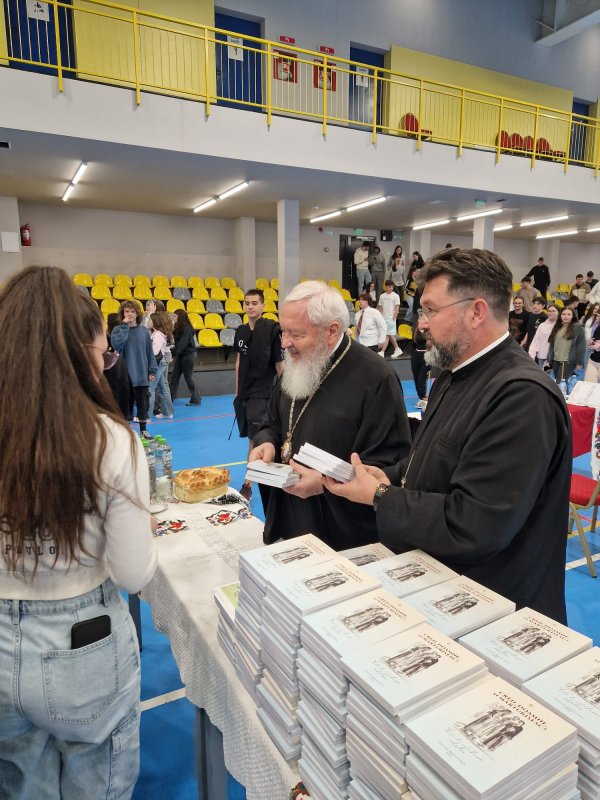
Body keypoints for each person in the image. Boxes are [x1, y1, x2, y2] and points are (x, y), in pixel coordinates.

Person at [325, 248, 571, 623]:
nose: (420, 323)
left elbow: (476, 523)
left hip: (495, 613)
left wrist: (379, 496)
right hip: (446, 593)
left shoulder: (521, 395)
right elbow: (433, 458)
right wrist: (388, 476)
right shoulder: (455, 374)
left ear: (475, 311)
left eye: (430, 310)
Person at [0, 265, 157, 798]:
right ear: (81, 352)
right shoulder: (110, 439)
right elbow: (135, 574)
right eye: (102, 355)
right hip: (81, 640)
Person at [249, 280, 411, 550]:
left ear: (331, 331)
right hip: (290, 517)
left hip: (341, 532)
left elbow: (389, 463)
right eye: (283, 332)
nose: (286, 343)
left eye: (296, 334)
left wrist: (324, 483)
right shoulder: (296, 363)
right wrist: (266, 440)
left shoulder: (375, 378)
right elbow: (273, 422)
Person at [234, 289, 284, 500]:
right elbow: (238, 361)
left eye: (255, 303)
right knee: (250, 439)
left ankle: (249, 484)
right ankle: (257, 479)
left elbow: (279, 364)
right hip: (244, 395)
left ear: (263, 306)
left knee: (256, 440)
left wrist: (284, 393)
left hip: (262, 394)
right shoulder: (241, 331)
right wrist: (237, 392)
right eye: (247, 303)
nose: (250, 306)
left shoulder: (272, 330)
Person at [111, 300, 157, 439]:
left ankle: (143, 430)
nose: (130, 314)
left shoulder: (144, 331)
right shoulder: (117, 330)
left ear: (137, 314)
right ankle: (126, 432)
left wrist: (152, 370)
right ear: (122, 313)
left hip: (141, 375)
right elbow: (117, 345)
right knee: (124, 406)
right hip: (124, 377)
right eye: (127, 311)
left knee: (143, 406)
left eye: (132, 311)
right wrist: (124, 326)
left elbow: (150, 352)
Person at [169, 308, 201, 407]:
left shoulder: (186, 329)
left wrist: (171, 354)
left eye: (175, 316)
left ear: (180, 317)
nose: (173, 318)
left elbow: (182, 345)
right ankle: (169, 400)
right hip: (181, 355)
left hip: (188, 356)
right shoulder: (178, 328)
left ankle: (196, 399)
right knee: (174, 378)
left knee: (189, 378)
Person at [548, 306, 585, 386]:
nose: (566, 316)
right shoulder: (557, 327)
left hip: (567, 361)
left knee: (560, 384)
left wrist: (580, 362)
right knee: (560, 384)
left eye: (569, 314)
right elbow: (552, 344)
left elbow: (581, 346)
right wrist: (550, 357)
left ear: (573, 316)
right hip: (555, 360)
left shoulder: (578, 328)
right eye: (563, 314)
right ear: (560, 315)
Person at [148, 311, 175, 419]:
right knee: (163, 387)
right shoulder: (156, 334)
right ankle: (168, 412)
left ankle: (147, 415)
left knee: (151, 388)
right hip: (160, 362)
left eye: (150, 319)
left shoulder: (158, 335)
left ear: (155, 322)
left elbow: (154, 352)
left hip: (157, 363)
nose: (148, 321)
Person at [377, 280, 403, 358]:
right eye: (389, 286)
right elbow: (380, 307)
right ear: (386, 286)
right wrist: (381, 318)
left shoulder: (395, 296)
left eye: (392, 286)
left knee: (389, 335)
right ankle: (385, 351)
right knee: (387, 335)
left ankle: (395, 349)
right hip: (384, 318)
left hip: (391, 319)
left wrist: (393, 318)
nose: (391, 288)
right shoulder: (382, 296)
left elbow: (397, 308)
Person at [528, 303, 559, 367]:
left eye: (553, 311)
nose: (551, 313)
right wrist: (532, 354)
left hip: (557, 357)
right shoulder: (542, 325)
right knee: (543, 376)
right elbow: (536, 340)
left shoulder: (561, 325)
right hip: (543, 356)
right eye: (549, 311)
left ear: (558, 313)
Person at [581, 303, 600, 373]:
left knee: (589, 360)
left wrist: (593, 341)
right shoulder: (585, 317)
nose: (596, 310)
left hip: (593, 342)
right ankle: (586, 374)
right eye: (595, 308)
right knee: (585, 359)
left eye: (597, 309)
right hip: (585, 340)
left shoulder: (597, 319)